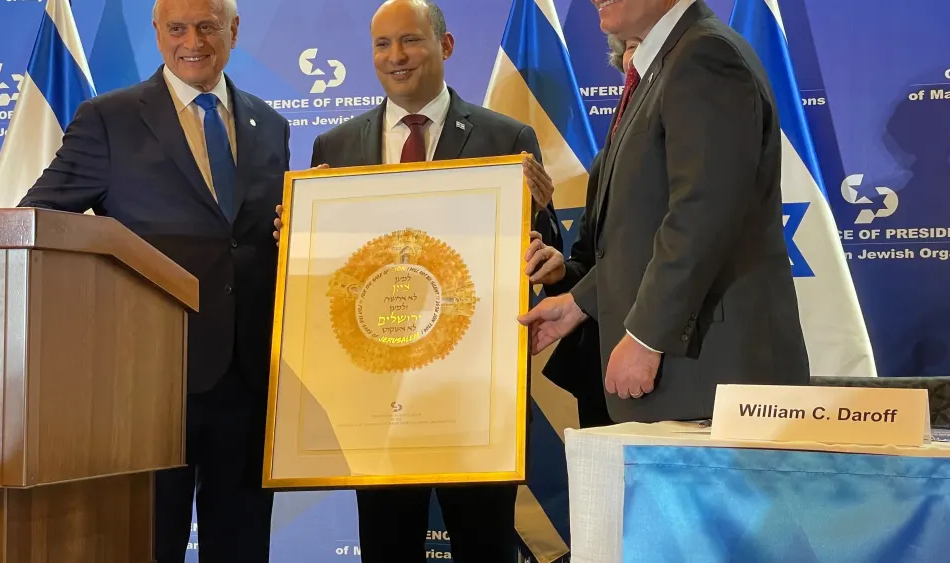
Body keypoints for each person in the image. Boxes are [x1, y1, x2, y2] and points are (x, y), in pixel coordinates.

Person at [272, 1, 560, 560]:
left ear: (446, 47)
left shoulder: (507, 136)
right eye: (382, 44)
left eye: (410, 41)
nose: (395, 56)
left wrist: (543, 236)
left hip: (476, 394)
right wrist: (296, 234)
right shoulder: (334, 148)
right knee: (386, 547)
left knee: (485, 546)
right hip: (373, 397)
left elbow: (543, 252)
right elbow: (330, 273)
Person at [17, 0, 290, 560]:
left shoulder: (272, 123)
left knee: (242, 545)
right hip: (146, 382)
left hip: (249, 380)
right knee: (148, 543)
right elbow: (39, 222)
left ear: (233, 31)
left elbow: (258, 238)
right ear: (158, 33)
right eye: (177, 28)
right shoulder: (108, 119)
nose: (193, 40)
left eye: (208, 26)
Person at [519, 0, 810, 424]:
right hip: (692, 374)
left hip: (714, 373)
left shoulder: (705, 56)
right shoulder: (669, 64)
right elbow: (643, 232)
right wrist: (580, 302)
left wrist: (645, 337)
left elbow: (703, 215)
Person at [528, 36, 641, 429]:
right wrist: (561, 273)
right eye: (630, 45)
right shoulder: (606, 157)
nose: (637, 55)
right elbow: (591, 261)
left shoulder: (699, 139)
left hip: (676, 362)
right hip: (603, 364)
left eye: (646, 43)